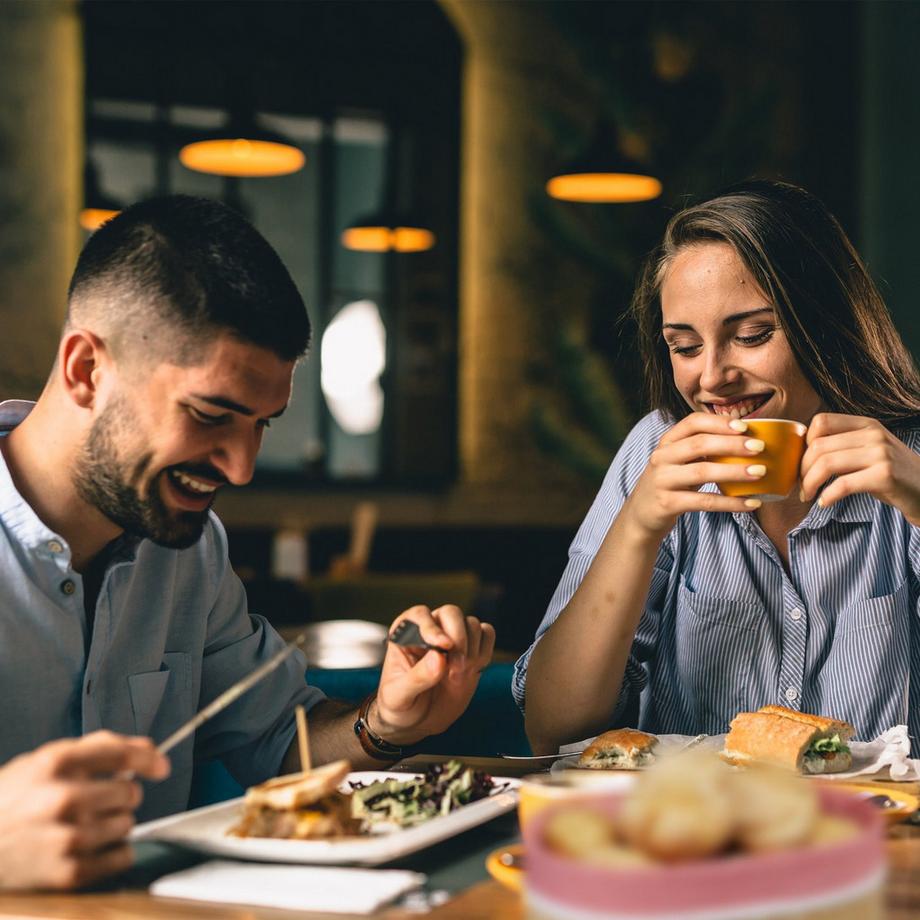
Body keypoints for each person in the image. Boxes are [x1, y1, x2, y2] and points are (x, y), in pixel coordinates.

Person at [0, 196, 494, 890]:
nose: (240, 469)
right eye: (210, 414)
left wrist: (386, 721)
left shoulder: (190, 550)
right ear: (86, 370)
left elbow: (281, 745)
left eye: (262, 424)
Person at [515, 179, 920, 756]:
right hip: (691, 809)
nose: (711, 378)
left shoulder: (909, 456)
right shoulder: (656, 449)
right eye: (685, 347)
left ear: (827, 325)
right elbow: (551, 730)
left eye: (752, 335)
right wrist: (639, 526)